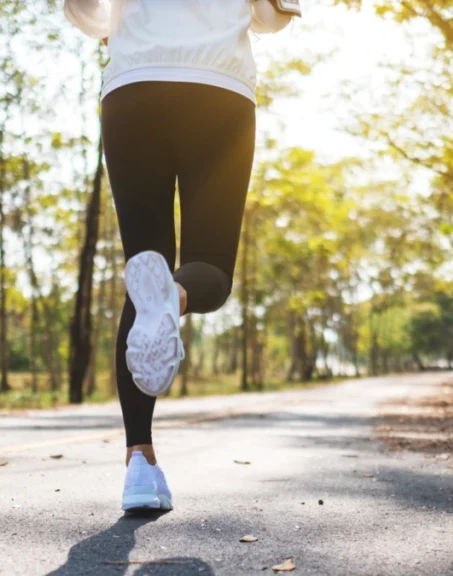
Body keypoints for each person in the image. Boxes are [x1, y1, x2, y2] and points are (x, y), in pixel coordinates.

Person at [64, 0, 295, 512]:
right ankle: (177, 294)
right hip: (218, 90)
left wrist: (117, 26)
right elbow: (274, 16)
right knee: (209, 268)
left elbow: (83, 10)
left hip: (133, 88)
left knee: (144, 267)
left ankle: (140, 469)